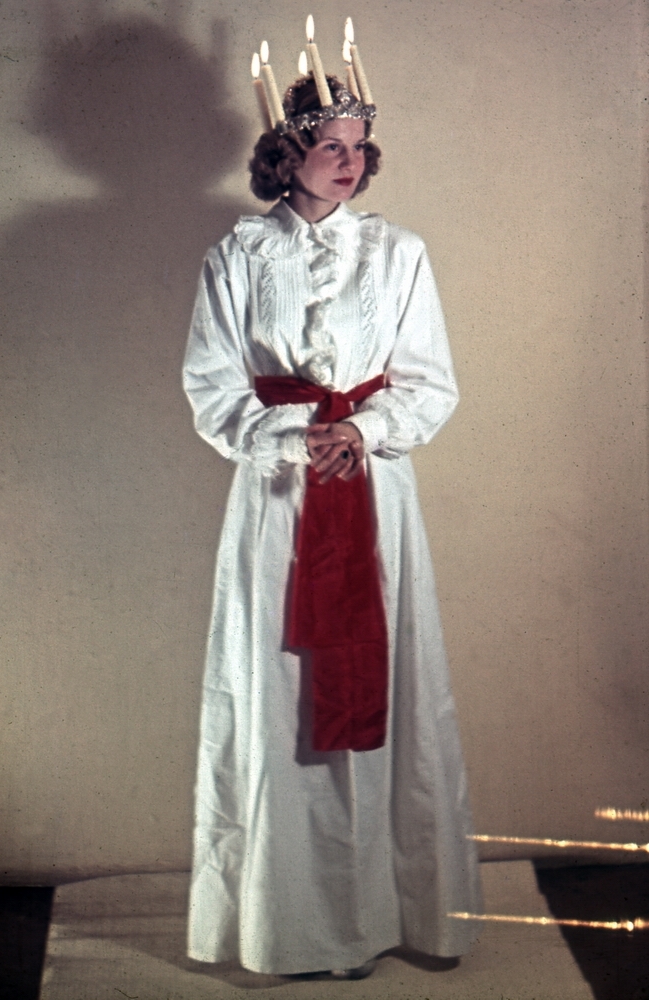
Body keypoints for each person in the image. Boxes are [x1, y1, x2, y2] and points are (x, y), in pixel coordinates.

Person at [182, 59, 483, 980]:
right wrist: (291, 438)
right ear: (286, 154)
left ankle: (394, 916)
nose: (348, 162)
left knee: (387, 688)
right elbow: (212, 386)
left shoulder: (398, 253)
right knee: (281, 693)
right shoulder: (237, 256)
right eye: (327, 146)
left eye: (358, 147)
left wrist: (362, 429)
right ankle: (294, 928)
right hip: (279, 498)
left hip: (372, 489)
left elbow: (428, 381)